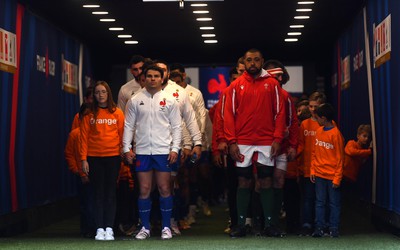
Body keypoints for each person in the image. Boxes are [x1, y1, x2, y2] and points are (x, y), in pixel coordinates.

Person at [223, 48, 286, 238]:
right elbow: (228, 116)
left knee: (266, 180)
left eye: (256, 60)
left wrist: (277, 139)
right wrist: (232, 141)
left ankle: (269, 225)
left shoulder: (273, 84)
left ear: (262, 61)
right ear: (244, 62)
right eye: (249, 60)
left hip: (267, 140)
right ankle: (241, 224)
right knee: (243, 181)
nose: (253, 63)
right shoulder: (235, 86)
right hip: (242, 141)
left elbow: (280, 113)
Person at [123, 65, 182, 240]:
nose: (153, 79)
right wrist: (126, 148)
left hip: (163, 151)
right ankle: (145, 228)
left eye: (156, 76)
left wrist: (175, 149)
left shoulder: (170, 99)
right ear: (145, 78)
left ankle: (166, 227)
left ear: (162, 78)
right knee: (144, 190)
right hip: (142, 151)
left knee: (165, 188)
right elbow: (128, 125)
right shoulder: (135, 100)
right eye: (149, 76)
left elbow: (177, 127)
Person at [80, 81, 125, 241]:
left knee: (110, 193)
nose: (100, 95)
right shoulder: (88, 114)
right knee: (97, 193)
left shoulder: (117, 113)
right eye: (97, 92)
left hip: (113, 157)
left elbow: (122, 135)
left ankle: (109, 228)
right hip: (94, 158)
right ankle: (99, 228)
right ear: (94, 95)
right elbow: (83, 138)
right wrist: (83, 159)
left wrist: (123, 151)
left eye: (103, 92)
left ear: (108, 94)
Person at [264, 60, 299, 236]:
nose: (278, 78)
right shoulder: (259, 94)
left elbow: (293, 122)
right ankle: (261, 222)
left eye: (279, 76)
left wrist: (293, 145)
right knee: (260, 182)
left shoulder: (286, 96)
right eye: (273, 75)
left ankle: (274, 222)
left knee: (278, 181)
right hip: (261, 146)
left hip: (282, 148)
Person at [310, 103, 344, 238]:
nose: (317, 121)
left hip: (332, 176)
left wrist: (337, 178)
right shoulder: (318, 132)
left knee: (334, 203)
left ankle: (333, 228)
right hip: (319, 174)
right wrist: (313, 170)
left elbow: (340, 158)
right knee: (319, 202)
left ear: (323, 118)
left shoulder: (336, 135)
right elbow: (314, 153)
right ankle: (319, 227)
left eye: (317, 118)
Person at [297, 91, 327, 236]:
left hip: (323, 170)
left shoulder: (329, 124)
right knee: (307, 199)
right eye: (310, 106)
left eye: (316, 106)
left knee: (322, 199)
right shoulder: (304, 124)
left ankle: (321, 225)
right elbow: (300, 147)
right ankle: (307, 225)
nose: (313, 109)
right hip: (307, 169)